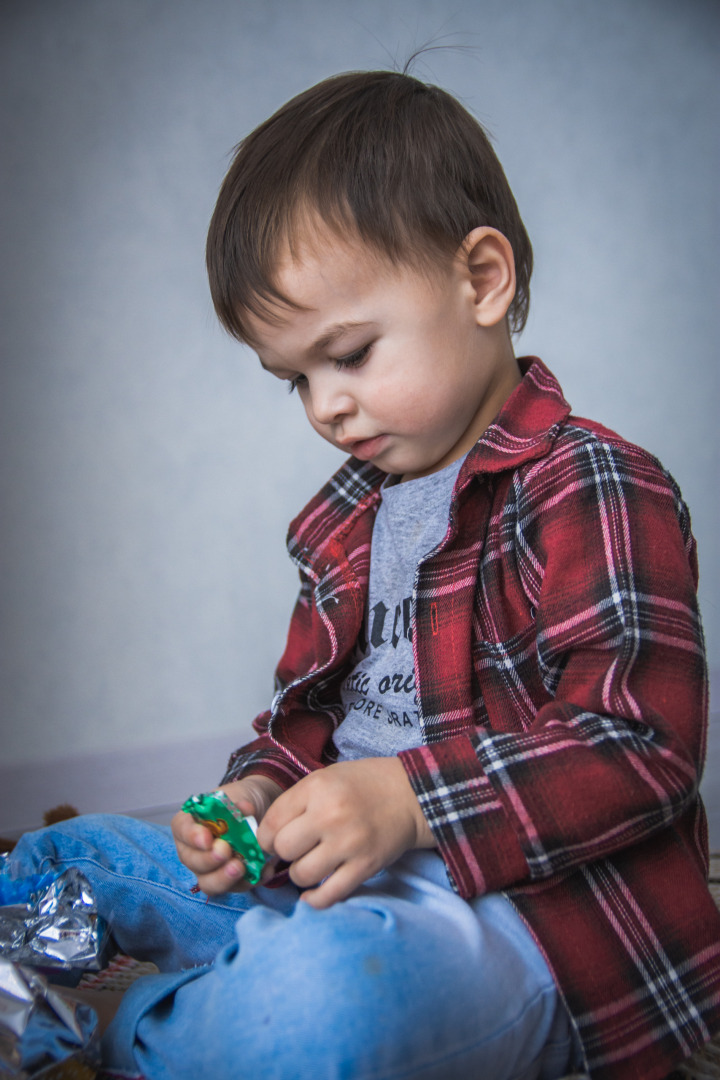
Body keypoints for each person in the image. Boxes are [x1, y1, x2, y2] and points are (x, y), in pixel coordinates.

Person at [9, 70, 720, 1080]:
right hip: (333, 882)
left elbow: (642, 746)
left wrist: (410, 801)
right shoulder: (349, 519)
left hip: (524, 918)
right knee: (80, 860)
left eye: (348, 353)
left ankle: (144, 1024)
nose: (325, 408)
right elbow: (309, 723)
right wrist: (256, 797)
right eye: (296, 377)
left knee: (313, 1009)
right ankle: (196, 966)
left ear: (480, 281)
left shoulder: (594, 484)